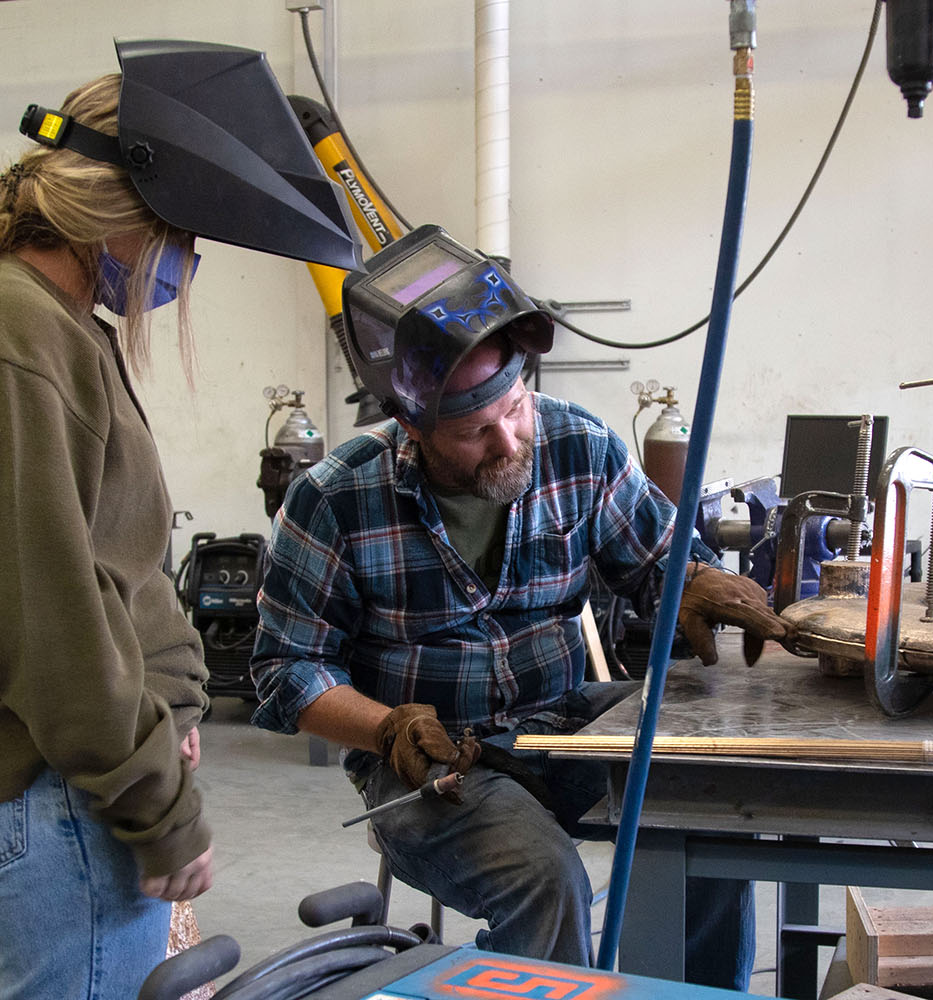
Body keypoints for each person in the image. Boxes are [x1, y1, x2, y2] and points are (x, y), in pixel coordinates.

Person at [0, 40, 364, 999]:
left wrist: (160, 705)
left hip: (71, 783)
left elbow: (101, 570)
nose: (190, 263)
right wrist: (152, 798)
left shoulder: (47, 322)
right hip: (49, 791)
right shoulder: (8, 332)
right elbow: (37, 616)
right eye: (185, 237)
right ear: (126, 215)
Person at [251, 313, 789, 986]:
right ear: (414, 429)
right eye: (475, 431)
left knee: (713, 804)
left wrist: (698, 579)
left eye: (515, 408)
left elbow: (660, 560)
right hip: (432, 760)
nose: (508, 441)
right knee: (544, 876)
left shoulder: (577, 445)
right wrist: (386, 728)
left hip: (561, 719)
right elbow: (287, 669)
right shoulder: (336, 498)